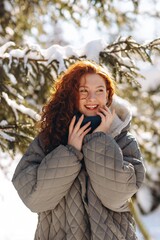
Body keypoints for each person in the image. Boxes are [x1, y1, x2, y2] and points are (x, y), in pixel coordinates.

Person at [12, 60, 145, 240]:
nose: (92, 98)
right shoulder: (48, 139)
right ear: (71, 94)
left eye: (99, 90)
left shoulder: (123, 141)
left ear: (108, 95)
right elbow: (35, 199)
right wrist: (70, 151)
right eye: (83, 91)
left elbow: (116, 196)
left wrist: (99, 141)